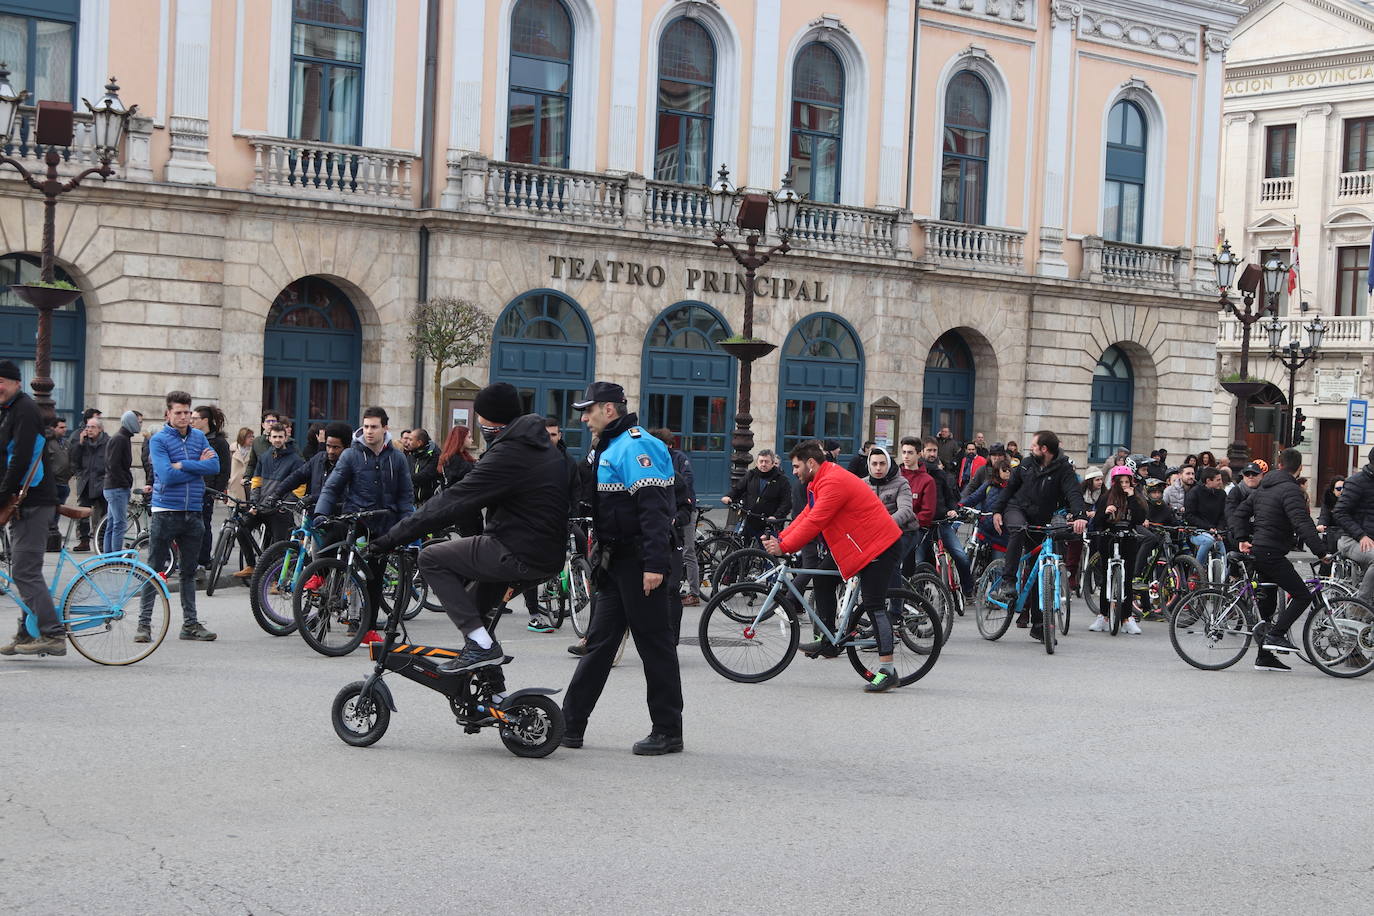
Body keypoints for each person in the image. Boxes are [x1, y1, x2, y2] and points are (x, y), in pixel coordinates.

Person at [368, 384, 567, 682]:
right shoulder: (540, 448)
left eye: (482, 418)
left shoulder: (510, 454)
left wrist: (390, 539)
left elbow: (451, 501)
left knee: (433, 558)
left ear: (494, 420)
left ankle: (481, 647)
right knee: (474, 612)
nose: (480, 425)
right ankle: (495, 694)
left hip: (517, 549)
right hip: (545, 552)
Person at [561, 381, 683, 755]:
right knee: (598, 644)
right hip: (614, 560)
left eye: (588, 411)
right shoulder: (607, 446)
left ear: (608, 410)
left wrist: (655, 565)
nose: (583, 419)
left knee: (654, 645)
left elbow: (654, 510)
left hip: (639, 561)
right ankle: (571, 723)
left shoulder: (636, 445)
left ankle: (668, 730)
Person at [763, 440, 904, 692]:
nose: (793, 471)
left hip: (879, 546)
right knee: (823, 580)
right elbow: (806, 514)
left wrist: (784, 548)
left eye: (796, 466)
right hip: (856, 545)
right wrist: (782, 539)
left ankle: (888, 670)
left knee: (874, 605)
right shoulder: (819, 481)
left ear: (810, 463)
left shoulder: (833, 482)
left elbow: (816, 520)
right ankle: (827, 640)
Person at [313, 407, 415, 624]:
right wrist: (321, 512)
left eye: (374, 427)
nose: (369, 431)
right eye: (366, 426)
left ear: (385, 428)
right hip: (355, 516)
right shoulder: (351, 454)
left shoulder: (397, 458)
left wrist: (407, 526)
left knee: (375, 578)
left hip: (384, 521)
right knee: (330, 538)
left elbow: (405, 495)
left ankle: (368, 627)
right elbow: (332, 487)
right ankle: (319, 577)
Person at [1233, 448, 1330, 669]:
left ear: (1278, 465)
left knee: (1267, 606)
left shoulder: (1264, 488)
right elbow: (1302, 523)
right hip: (1271, 553)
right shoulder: (1290, 490)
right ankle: (1275, 635)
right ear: (1300, 468)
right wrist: (1321, 552)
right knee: (1302, 595)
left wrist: (1241, 538)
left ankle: (1264, 657)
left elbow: (1239, 513)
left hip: (1261, 550)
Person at [989, 430, 1089, 637]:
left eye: (1034, 445)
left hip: (1041, 518)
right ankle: (1008, 580)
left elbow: (1073, 492)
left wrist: (1080, 515)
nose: (1031, 448)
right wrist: (997, 511)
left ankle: (1037, 624)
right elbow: (1009, 490)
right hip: (1017, 510)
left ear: (1044, 449)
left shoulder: (1063, 469)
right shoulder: (1026, 464)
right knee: (1018, 529)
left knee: (1037, 568)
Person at [139, 390, 220, 643]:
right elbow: (166, 474)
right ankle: (143, 626)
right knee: (154, 569)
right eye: (179, 412)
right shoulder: (159, 439)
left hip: (193, 512)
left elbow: (215, 467)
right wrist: (197, 467)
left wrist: (183, 465)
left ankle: (190, 625)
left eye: (188, 412)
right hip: (165, 511)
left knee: (188, 572)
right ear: (168, 414)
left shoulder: (198, 437)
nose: (184, 417)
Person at [0, 360, 63, 656]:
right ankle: (26, 633)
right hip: (24, 501)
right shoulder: (10, 410)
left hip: (33, 501)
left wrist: (3, 497)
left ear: (17, 383)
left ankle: (53, 634)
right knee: (23, 568)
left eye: (2, 381)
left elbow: (21, 458)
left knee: (25, 570)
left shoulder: (24, 409)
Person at [522, 416, 581, 633]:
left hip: (561, 519)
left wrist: (574, 516)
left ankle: (578, 581)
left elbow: (575, 490)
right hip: (534, 521)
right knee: (530, 567)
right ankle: (534, 615)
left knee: (580, 545)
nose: (550, 439)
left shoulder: (567, 459)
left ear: (560, 435)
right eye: (546, 435)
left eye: (554, 435)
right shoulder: (529, 458)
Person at [1087, 466, 1148, 634]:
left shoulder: (1135, 497)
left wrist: (1132, 498)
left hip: (1128, 539)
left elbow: (1139, 518)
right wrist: (1105, 513)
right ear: (1114, 483)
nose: (1124, 485)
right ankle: (1103, 616)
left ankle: (1126, 618)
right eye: (1121, 482)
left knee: (1127, 579)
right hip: (1109, 538)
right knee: (1106, 578)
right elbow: (1097, 522)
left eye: (1127, 482)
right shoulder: (1106, 497)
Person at [652, 427, 697, 634]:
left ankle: (671, 636)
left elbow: (686, 508)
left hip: (671, 540)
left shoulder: (676, 477)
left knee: (671, 588)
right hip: (646, 540)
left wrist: (675, 519)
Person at [922, 437, 975, 596]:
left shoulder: (942, 474)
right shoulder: (918, 473)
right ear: (922, 452)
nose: (932, 454)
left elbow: (951, 497)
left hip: (942, 522)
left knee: (961, 556)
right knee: (921, 562)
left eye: (934, 450)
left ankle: (968, 590)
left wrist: (953, 510)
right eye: (929, 450)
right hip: (924, 525)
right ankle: (920, 594)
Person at [250, 423, 305, 546]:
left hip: (280, 510)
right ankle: (251, 564)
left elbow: (300, 488)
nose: (277, 440)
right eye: (274, 437)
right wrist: (254, 501)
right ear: (269, 438)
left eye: (280, 437)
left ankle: (273, 564)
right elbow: (256, 481)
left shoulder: (296, 460)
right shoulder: (263, 457)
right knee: (242, 528)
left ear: (286, 438)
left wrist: (284, 505)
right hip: (262, 506)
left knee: (277, 546)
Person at [191, 405, 231, 572]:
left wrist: (218, 490)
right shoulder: (192, 438)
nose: (191, 421)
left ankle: (204, 558)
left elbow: (224, 468)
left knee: (204, 524)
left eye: (195, 419)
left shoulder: (219, 442)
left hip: (207, 489)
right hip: (192, 486)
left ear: (205, 421)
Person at [721, 450, 790, 544]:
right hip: (750, 519)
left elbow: (786, 502)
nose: (763, 464)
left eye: (766, 461)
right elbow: (738, 488)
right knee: (742, 549)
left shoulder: (782, 480)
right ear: (757, 463)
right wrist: (729, 496)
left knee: (767, 553)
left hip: (768, 523)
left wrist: (776, 516)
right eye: (761, 461)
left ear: (773, 463)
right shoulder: (751, 475)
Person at [1333, 452, 1374, 601]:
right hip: (1351, 540)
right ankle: (1359, 607)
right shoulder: (1356, 482)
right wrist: (1361, 535)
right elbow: (1339, 513)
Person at [101, 411, 141, 554]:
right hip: (116, 488)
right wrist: (125, 483)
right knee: (119, 524)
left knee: (113, 524)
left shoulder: (123, 438)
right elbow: (113, 465)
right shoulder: (120, 439)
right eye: (138, 421)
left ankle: (108, 557)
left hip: (115, 487)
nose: (140, 424)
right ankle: (114, 559)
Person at [896, 436, 937, 573]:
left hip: (915, 528)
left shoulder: (927, 480)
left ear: (919, 454)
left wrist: (908, 524)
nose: (906, 456)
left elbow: (927, 513)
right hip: (893, 525)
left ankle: (910, 588)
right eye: (904, 452)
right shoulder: (895, 477)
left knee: (908, 558)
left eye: (910, 452)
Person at [70, 414, 109, 551]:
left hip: (101, 482)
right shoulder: (83, 442)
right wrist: (80, 444)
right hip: (86, 481)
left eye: (92, 427)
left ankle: (101, 542)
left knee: (103, 514)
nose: (89, 430)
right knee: (83, 513)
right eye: (87, 427)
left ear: (100, 429)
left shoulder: (107, 442)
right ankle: (84, 540)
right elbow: (74, 460)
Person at [437, 424, 482, 536]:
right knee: (470, 538)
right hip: (462, 505)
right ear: (461, 439)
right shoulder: (454, 459)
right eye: (469, 437)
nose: (472, 440)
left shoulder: (463, 456)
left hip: (469, 504)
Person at [1183, 466, 1228, 570]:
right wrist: (1208, 528)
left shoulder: (1221, 494)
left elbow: (1223, 515)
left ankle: (1223, 578)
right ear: (1208, 481)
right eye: (1218, 480)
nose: (1220, 482)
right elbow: (1189, 516)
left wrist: (1219, 530)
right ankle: (1197, 571)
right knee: (1208, 541)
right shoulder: (1194, 493)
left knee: (1221, 547)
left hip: (1215, 532)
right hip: (1196, 531)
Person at [45, 416, 71, 551]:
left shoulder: (66, 443)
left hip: (64, 483)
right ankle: (48, 537)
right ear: (53, 428)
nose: (64, 430)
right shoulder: (49, 443)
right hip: (53, 483)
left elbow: (71, 460)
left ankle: (53, 532)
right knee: (50, 511)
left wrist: (70, 472)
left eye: (65, 427)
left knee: (57, 512)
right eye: (61, 427)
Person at [405, 428, 440, 504]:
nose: (407, 442)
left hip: (429, 502)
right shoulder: (411, 454)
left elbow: (426, 475)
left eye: (411, 440)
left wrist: (405, 478)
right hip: (412, 502)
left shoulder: (434, 455)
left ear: (419, 443)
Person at [229, 427, 254, 501]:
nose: (252, 439)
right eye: (249, 437)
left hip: (247, 485)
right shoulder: (232, 449)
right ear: (242, 437)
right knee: (233, 507)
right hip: (233, 485)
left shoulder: (253, 451)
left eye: (253, 436)